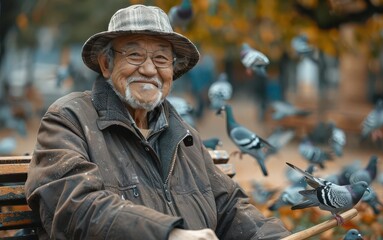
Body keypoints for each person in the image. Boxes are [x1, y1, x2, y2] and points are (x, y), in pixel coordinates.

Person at [24, 5, 290, 240]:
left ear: (172, 71)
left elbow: (230, 208)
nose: (150, 70)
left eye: (161, 59)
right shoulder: (69, 119)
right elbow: (76, 207)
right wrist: (168, 234)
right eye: (135, 56)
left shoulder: (183, 136)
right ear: (106, 64)